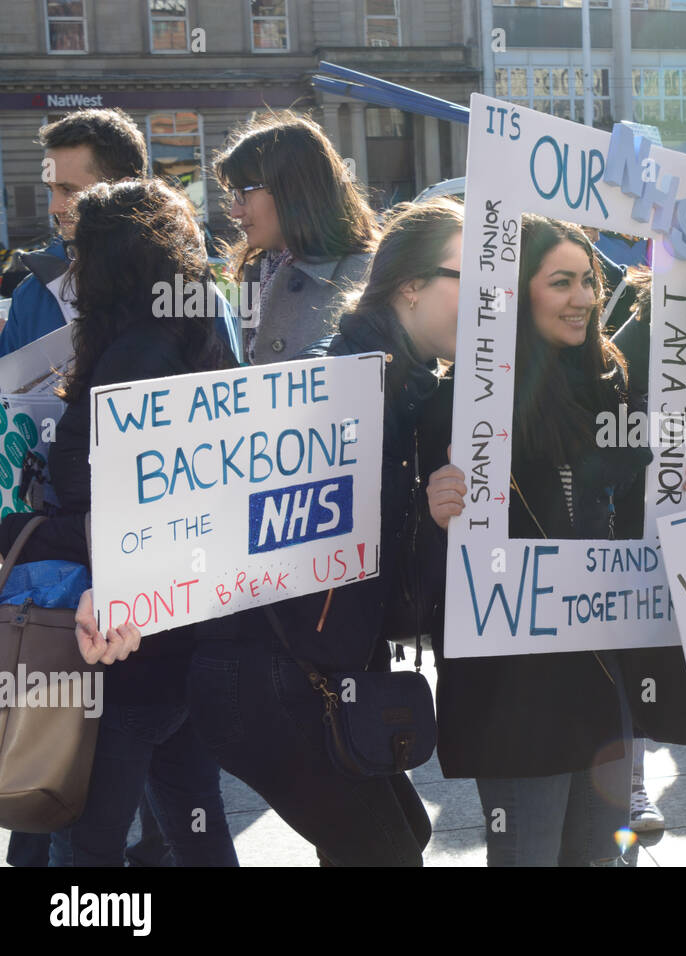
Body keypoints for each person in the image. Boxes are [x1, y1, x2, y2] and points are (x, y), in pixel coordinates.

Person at [175, 199, 466, 867]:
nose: (488, 302)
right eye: (470, 281)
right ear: (411, 286)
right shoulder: (338, 386)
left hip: (316, 671)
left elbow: (382, 563)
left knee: (399, 841)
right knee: (387, 854)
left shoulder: (407, 387)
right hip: (263, 678)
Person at [425, 215, 686, 866]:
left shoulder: (610, 386)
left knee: (600, 858)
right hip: (517, 693)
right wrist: (434, 513)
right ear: (517, 292)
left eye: (589, 282)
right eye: (561, 282)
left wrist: (675, 479)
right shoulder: (462, 402)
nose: (582, 297)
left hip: (604, 676)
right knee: (529, 854)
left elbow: (631, 512)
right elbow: (428, 574)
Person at [3, 179, 239, 867]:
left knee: (92, 839)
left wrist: (15, 532)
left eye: (81, 251)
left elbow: (117, 517)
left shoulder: (135, 354)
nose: (72, 268)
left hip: (116, 638)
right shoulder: (193, 330)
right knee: (194, 820)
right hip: (184, 624)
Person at [0, 108, 240, 362]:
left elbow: (226, 391)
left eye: (68, 190)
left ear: (122, 190)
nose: (54, 207)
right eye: (51, 190)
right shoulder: (31, 295)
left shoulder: (186, 288)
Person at [213, 113, 377, 364]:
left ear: (291, 189)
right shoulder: (260, 274)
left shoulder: (367, 277)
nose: (234, 211)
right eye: (232, 195)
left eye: (242, 193)